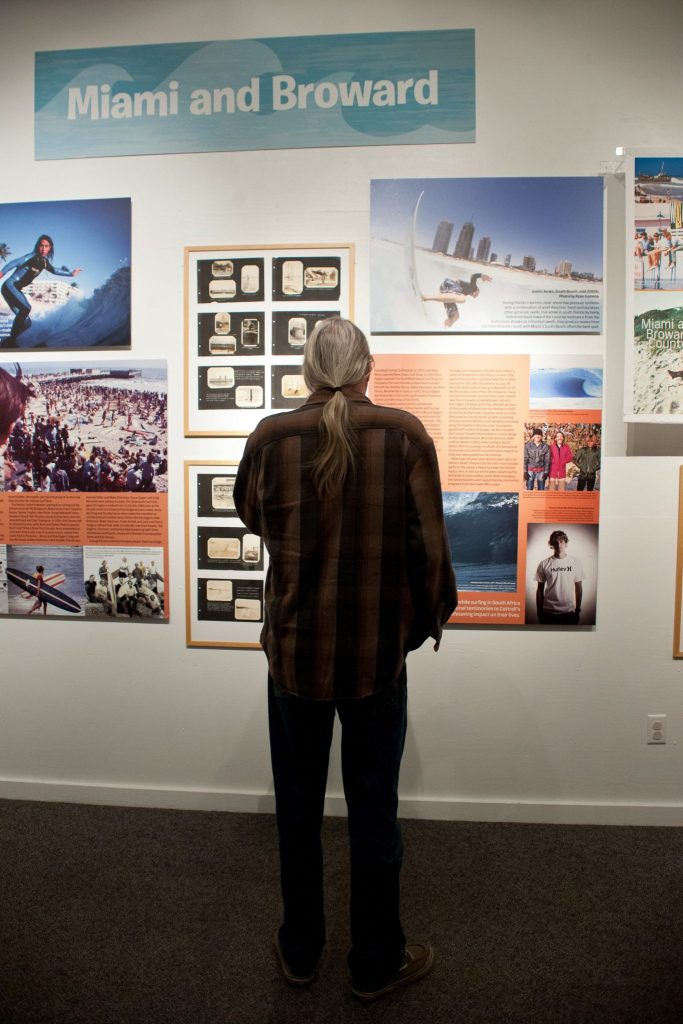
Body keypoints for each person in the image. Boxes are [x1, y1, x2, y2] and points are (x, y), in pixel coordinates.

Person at [234, 317, 457, 1003]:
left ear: (307, 368)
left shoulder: (272, 435)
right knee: (374, 815)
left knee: (297, 815)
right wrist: (414, 630)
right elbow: (431, 552)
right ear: (367, 368)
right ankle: (374, 961)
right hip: (373, 659)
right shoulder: (404, 432)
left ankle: (300, 951)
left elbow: (251, 515)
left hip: (297, 656)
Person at [0, 235, 82, 345]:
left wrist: (71, 274)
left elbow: (55, 270)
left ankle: (11, 342)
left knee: (27, 323)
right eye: (41, 246)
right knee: (26, 308)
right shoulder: (31, 256)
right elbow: (13, 263)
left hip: (15, 290)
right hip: (10, 286)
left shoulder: (44, 262)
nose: (43, 249)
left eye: (46, 246)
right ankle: (12, 340)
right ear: (37, 247)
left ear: (50, 248)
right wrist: (2, 273)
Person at [535, 530, 583, 625]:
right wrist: (539, 612)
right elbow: (539, 590)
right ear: (552, 544)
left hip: (569, 612)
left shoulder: (575, 562)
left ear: (566, 543)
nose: (558, 544)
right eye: (555, 541)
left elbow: (579, 587)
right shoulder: (544, 564)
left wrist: (578, 610)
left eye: (561, 541)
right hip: (548, 612)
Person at [422, 273, 492, 327]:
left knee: (455, 316)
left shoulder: (463, 293)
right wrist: (482, 275)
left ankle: (444, 327)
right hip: (451, 283)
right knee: (462, 299)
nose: (476, 296)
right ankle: (426, 297)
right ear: (476, 290)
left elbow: (454, 296)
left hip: (446, 289)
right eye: (478, 294)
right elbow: (473, 276)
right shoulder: (473, 287)